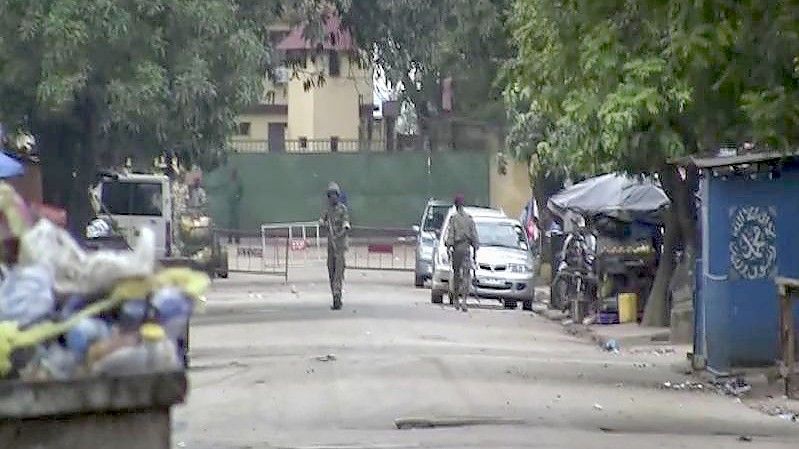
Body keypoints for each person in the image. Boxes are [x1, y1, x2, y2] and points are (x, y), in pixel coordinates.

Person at [445, 194, 479, 312]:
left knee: (456, 275)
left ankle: (456, 300)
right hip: (466, 249)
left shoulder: (454, 219)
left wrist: (448, 246)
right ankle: (464, 300)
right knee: (466, 276)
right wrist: (475, 249)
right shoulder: (469, 219)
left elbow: (451, 234)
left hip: (457, 249)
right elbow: (474, 236)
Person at [320, 182, 351, 310]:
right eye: (330, 195)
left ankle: (337, 298)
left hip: (340, 247)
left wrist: (338, 234)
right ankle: (335, 295)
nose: (333, 197)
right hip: (331, 248)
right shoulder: (327, 210)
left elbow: (346, 225)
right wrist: (324, 224)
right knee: (331, 273)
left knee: (338, 273)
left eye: (334, 195)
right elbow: (321, 221)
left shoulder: (343, 209)